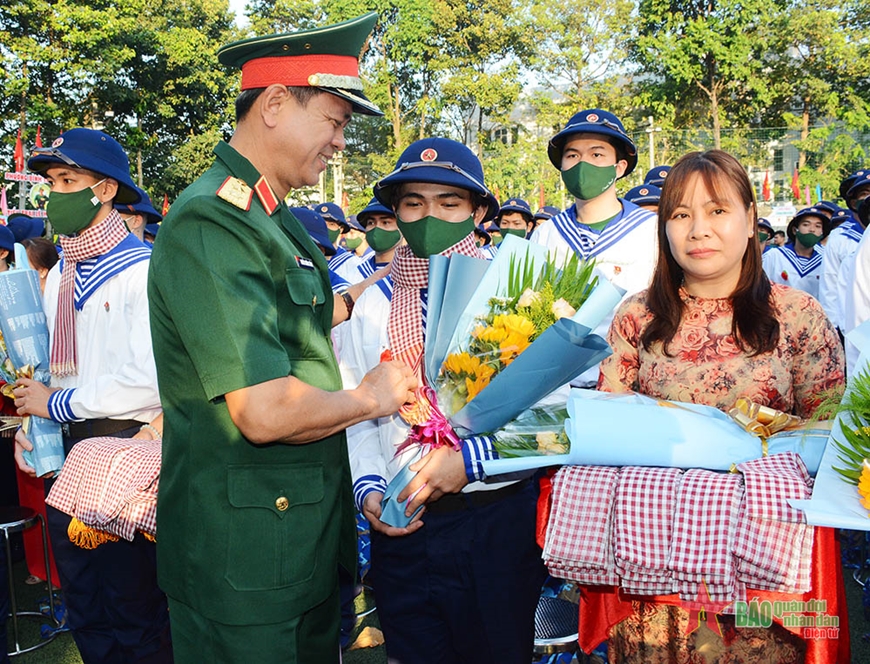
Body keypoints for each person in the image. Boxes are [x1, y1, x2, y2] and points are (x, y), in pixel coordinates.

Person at [146, 13, 417, 663]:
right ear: (273, 104)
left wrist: (357, 297)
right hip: (246, 568)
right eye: (334, 121)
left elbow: (285, 326)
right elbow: (264, 410)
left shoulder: (268, 218)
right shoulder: (216, 222)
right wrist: (371, 398)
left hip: (294, 548)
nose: (339, 143)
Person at [598, 149, 845, 663]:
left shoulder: (798, 315)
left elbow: (831, 435)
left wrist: (754, 436)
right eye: (680, 215)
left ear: (751, 221)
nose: (697, 230)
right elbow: (609, 432)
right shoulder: (635, 317)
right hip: (656, 561)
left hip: (767, 563)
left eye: (717, 210)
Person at [342, 137, 547, 664]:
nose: (429, 216)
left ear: (479, 211)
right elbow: (354, 409)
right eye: (413, 203)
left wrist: (468, 462)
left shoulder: (517, 289)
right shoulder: (371, 301)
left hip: (493, 517)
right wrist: (368, 490)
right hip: (402, 517)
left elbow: (553, 410)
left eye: (449, 203)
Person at [13, 128, 170, 664]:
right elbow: (58, 372)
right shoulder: (61, 271)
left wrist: (53, 405)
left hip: (129, 451)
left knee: (135, 607)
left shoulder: (144, 270)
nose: (54, 194)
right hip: (69, 454)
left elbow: (150, 378)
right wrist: (34, 429)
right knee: (85, 605)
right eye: (51, 182)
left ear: (104, 190)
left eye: (68, 180)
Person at [530, 108, 658, 386]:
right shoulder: (547, 234)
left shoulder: (652, 230)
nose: (582, 163)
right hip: (554, 386)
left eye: (597, 154)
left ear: (620, 167)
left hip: (631, 386)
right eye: (572, 155)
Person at [762, 206, 830, 300]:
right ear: (795, 230)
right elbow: (762, 288)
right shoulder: (775, 255)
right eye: (806, 225)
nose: (812, 229)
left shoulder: (825, 261)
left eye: (818, 226)